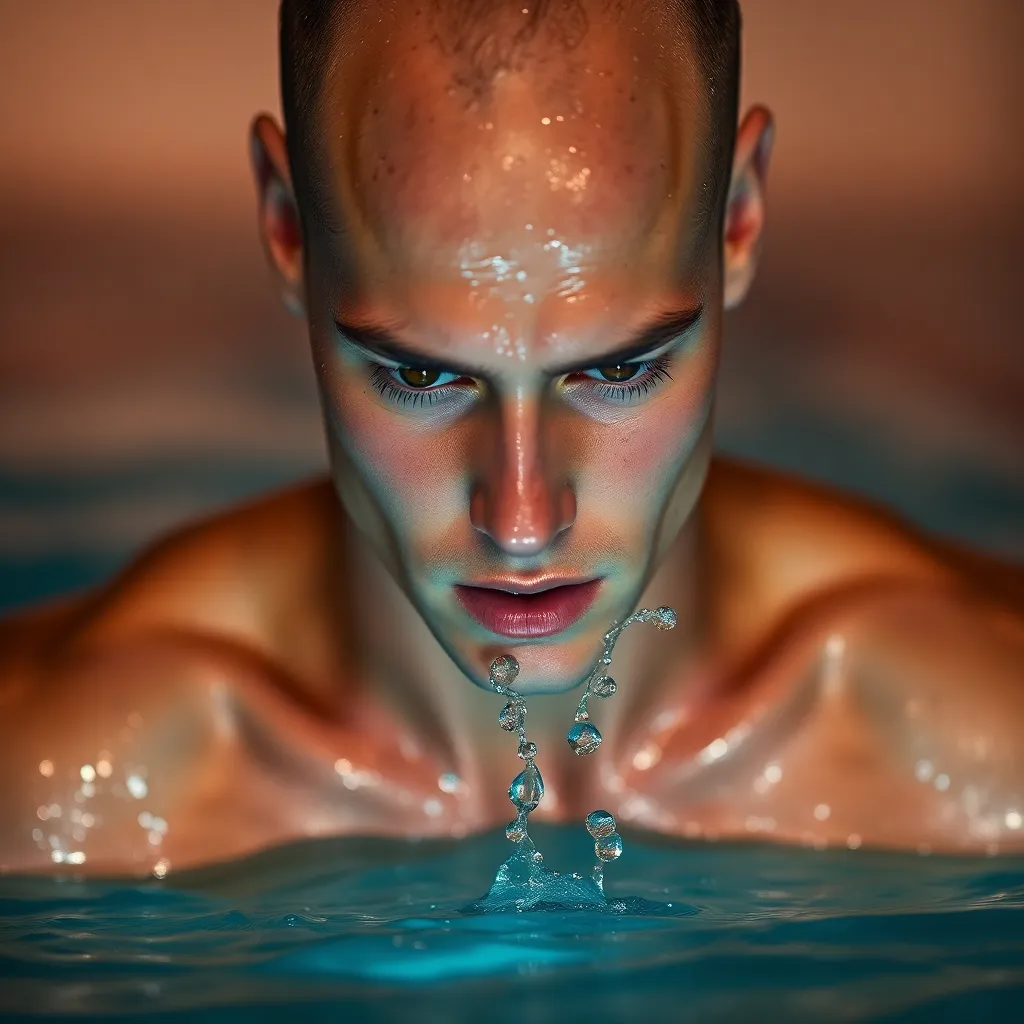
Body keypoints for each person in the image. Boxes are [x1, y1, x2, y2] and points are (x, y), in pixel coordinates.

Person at [1, 0, 1021, 877]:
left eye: (618, 370)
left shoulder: (984, 741)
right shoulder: (56, 795)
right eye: (421, 375)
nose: (524, 520)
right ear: (286, 228)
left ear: (740, 215)